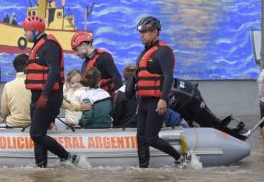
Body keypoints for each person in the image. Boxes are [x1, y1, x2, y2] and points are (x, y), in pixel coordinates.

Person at [126, 16, 184, 168]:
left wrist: (163, 99)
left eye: (145, 32)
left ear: (155, 32)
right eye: (141, 33)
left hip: (157, 101)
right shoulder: (144, 53)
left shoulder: (163, 52)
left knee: (151, 138)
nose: (142, 35)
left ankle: (180, 157)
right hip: (144, 101)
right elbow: (138, 76)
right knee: (140, 137)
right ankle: (143, 168)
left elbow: (168, 76)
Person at [23, 15, 79, 167]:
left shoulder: (49, 45)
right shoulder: (39, 46)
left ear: (35, 31)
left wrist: (45, 95)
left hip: (48, 97)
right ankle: (41, 167)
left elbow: (54, 71)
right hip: (38, 96)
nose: (24, 34)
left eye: (26, 30)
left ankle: (68, 157)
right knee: (39, 135)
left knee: (36, 133)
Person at [71, 31, 122, 98]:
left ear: (83, 45)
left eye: (76, 49)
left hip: (107, 99)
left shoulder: (103, 57)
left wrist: (117, 100)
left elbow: (117, 78)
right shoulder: (85, 63)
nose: (76, 54)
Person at [0, 54, 32, 128]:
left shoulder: (8, 85)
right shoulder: (35, 85)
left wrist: (5, 118)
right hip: (32, 126)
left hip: (12, 124)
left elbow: (3, 111)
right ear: (28, 67)